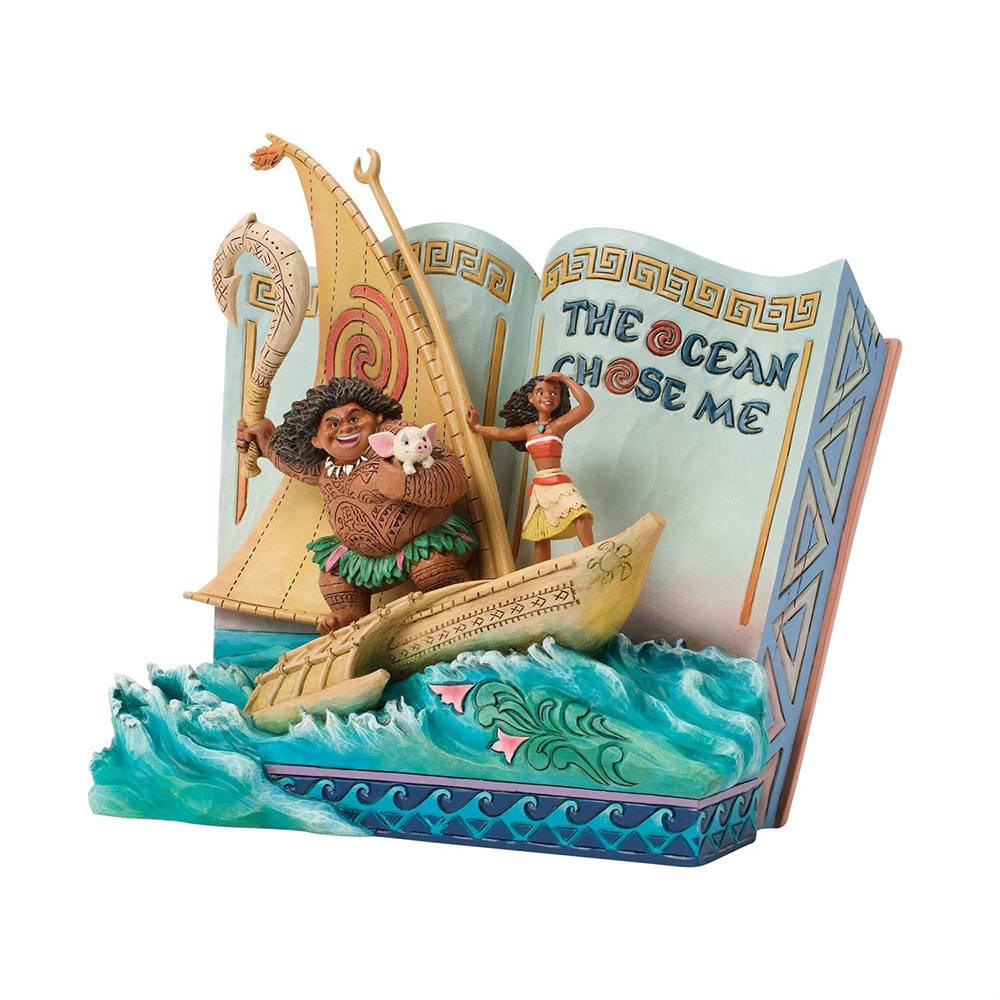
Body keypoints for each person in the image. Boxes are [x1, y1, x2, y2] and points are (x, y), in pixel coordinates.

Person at [237, 376, 476, 634]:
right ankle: (350, 612)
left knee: (432, 565)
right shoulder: (327, 467)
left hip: (424, 544)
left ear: (377, 418)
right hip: (363, 560)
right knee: (333, 573)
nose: (346, 428)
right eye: (333, 424)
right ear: (316, 439)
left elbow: (454, 476)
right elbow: (293, 466)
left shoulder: (399, 441)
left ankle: (453, 604)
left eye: (354, 419)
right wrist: (265, 439)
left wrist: (405, 482)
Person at [466, 371, 594, 564]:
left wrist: (565, 379)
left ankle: (592, 553)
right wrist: (477, 427)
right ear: (530, 398)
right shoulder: (528, 430)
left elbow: (587, 405)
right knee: (540, 530)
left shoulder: (559, 425)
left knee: (579, 512)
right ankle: (541, 571)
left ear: (559, 398)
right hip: (540, 486)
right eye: (540, 392)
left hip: (558, 481)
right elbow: (499, 433)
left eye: (554, 392)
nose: (548, 396)